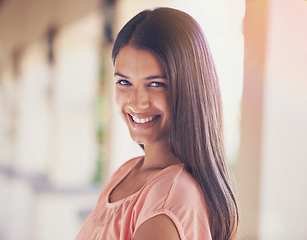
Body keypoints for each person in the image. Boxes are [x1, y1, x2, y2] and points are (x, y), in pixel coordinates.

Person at [76, 7, 238, 240]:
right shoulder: (126, 173)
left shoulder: (170, 195)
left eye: (155, 84)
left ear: (190, 88)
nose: (137, 102)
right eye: (124, 81)